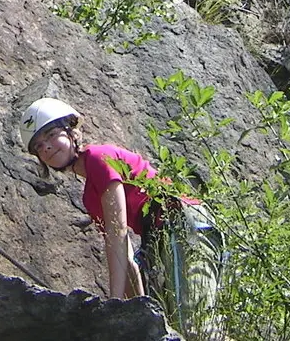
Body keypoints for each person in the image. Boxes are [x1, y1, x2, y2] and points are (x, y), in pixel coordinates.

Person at [19, 97, 226, 341]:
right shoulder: (90, 198)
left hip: (180, 223)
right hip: (163, 235)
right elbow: (125, 260)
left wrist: (113, 305)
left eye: (52, 135)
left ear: (71, 130)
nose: (47, 148)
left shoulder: (98, 157)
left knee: (194, 327)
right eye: (39, 147)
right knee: (176, 330)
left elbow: (117, 234)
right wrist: (136, 313)